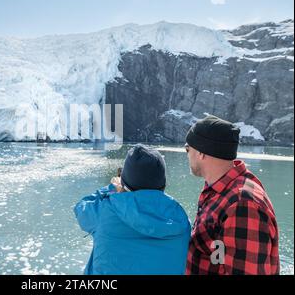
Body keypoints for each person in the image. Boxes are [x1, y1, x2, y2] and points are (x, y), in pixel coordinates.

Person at [74, 144, 191, 275]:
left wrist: (111, 187)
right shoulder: (181, 220)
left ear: (124, 182)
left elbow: (80, 208)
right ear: (163, 183)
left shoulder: (106, 210)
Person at [184, 115, 279, 275]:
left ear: (201, 152)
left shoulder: (243, 204)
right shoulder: (221, 190)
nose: (186, 154)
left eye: (188, 149)